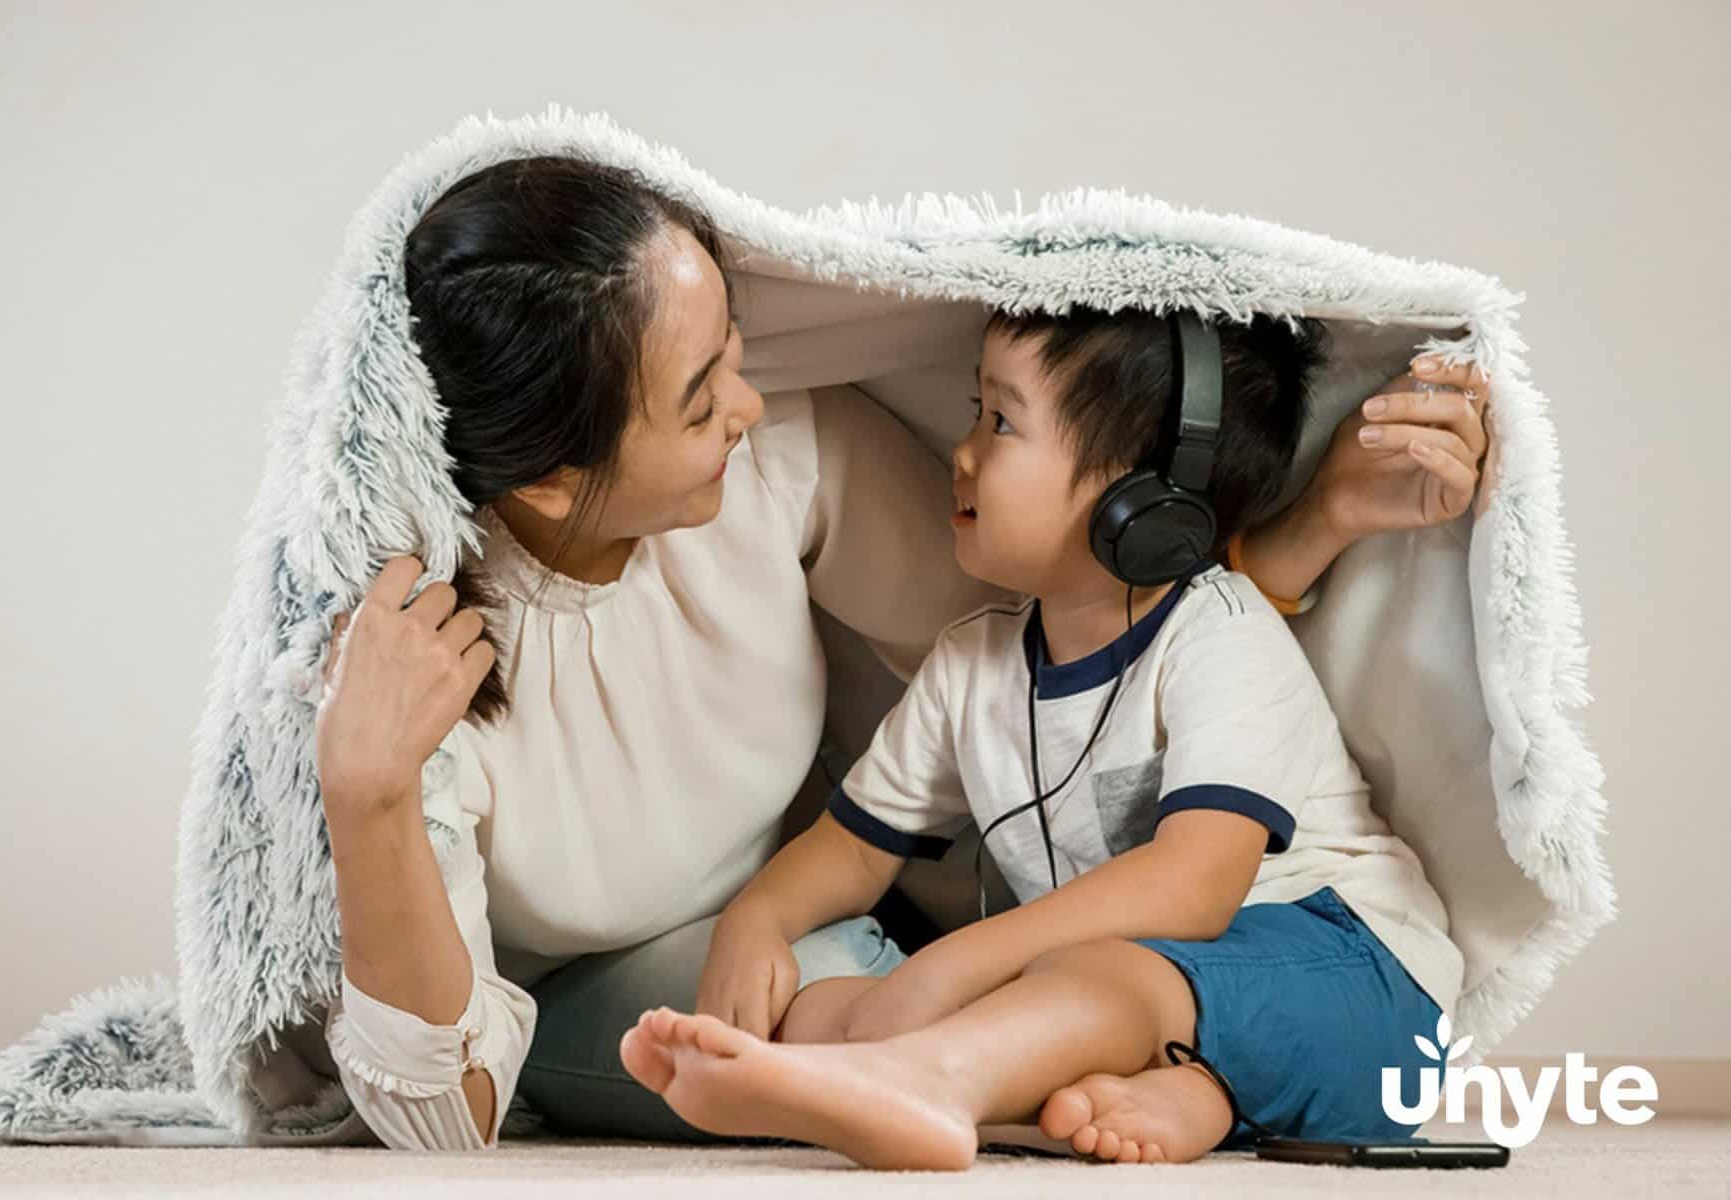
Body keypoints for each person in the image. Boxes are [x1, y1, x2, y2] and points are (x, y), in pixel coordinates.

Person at [302, 154, 1492, 1150]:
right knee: (975, 1003)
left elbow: (1141, 633)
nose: (754, 403)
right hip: (1113, 976)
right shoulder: (425, 650)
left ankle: (949, 1078)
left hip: (1323, 950)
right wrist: (369, 794)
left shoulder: (804, 473)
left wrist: (1317, 518)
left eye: (737, 352)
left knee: (1087, 987)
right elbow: (861, 834)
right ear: (557, 478)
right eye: (702, 390)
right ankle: (1083, 1092)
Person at [623, 305, 1468, 1168]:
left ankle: (930, 1081)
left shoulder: (1222, 632)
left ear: (1142, 500)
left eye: (1000, 422)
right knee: (836, 1004)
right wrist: (755, 923)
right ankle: (1175, 1098)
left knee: (1081, 980)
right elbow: (851, 848)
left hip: (1357, 979)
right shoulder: (972, 662)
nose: (962, 451)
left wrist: (951, 967)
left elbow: (1194, 889)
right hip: (1152, 1001)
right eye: (971, 413)